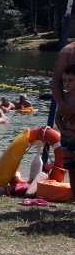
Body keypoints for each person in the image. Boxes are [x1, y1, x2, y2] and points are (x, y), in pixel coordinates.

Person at [55, 65, 75, 200]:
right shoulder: (64, 98)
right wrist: (63, 131)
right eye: (64, 80)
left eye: (70, 80)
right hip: (67, 138)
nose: (67, 83)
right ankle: (74, 197)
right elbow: (58, 117)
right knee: (71, 170)